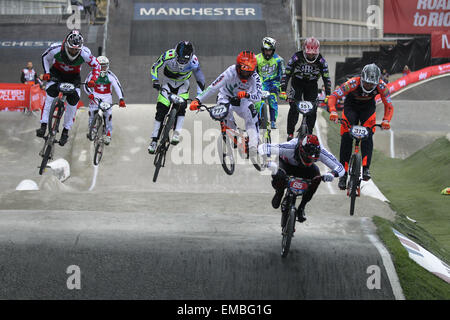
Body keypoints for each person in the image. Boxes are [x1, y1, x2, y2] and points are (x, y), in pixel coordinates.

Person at [328, 63, 393, 190]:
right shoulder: (352, 83)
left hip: (368, 108)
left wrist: (386, 120)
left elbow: (389, 106)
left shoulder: (382, 86)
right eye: (367, 83)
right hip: (351, 106)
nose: (369, 86)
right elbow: (334, 96)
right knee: (346, 136)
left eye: (372, 84)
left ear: (377, 82)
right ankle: (343, 173)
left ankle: (366, 168)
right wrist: (333, 111)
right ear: (362, 79)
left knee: (368, 135)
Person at [189, 50, 262, 158]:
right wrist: (198, 100)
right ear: (238, 67)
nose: (246, 74)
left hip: (243, 99)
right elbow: (213, 87)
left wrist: (247, 95)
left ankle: (253, 145)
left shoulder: (255, 77)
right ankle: (235, 135)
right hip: (225, 97)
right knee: (225, 116)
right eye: (243, 71)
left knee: (251, 115)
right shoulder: (230, 72)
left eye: (249, 72)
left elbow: (258, 97)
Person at [258, 134, 345, 222]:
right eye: (307, 157)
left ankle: (302, 206)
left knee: (317, 178)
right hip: (286, 165)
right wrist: (268, 162)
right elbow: (263, 147)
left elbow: (340, 168)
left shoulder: (321, 152)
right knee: (277, 172)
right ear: (301, 149)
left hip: (306, 169)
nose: (310, 160)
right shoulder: (290, 147)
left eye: (313, 159)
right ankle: (279, 192)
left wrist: (332, 174)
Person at [36, 29, 100, 146]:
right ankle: (43, 125)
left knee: (74, 101)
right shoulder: (56, 48)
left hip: (73, 77)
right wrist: (47, 72)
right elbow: (45, 57)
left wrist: (93, 80)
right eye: (71, 49)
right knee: (50, 97)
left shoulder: (85, 53)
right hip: (56, 74)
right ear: (66, 44)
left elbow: (97, 66)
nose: (73, 51)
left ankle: (65, 131)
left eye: (76, 50)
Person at [148, 41, 205, 154]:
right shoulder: (168, 55)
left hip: (182, 84)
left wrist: (199, 97)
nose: (183, 62)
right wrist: (155, 80)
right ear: (175, 54)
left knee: (182, 106)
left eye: (185, 60)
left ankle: (177, 133)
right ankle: (154, 140)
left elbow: (200, 79)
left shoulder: (194, 60)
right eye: (180, 59)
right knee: (161, 110)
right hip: (167, 82)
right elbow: (155, 66)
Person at [280, 37, 331, 140]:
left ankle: (309, 134)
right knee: (294, 107)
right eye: (309, 53)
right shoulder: (296, 57)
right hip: (297, 83)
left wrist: (328, 94)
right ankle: (290, 133)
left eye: (313, 54)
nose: (311, 56)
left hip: (312, 85)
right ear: (304, 50)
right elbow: (287, 74)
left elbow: (326, 78)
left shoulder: (321, 61)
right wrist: (283, 91)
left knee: (313, 109)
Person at [84, 55, 126, 145]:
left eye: (104, 66)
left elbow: (117, 87)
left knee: (108, 114)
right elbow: (85, 85)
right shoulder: (92, 74)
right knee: (91, 111)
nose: (103, 68)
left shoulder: (111, 76)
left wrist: (121, 99)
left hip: (107, 97)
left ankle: (108, 133)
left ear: (108, 66)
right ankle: (92, 128)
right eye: (101, 66)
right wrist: (90, 94)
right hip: (95, 95)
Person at [255, 37, 285, 129]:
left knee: (273, 100)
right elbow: (253, 72)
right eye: (266, 50)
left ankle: (273, 121)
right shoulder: (256, 58)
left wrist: (281, 88)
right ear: (262, 49)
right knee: (258, 101)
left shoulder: (279, 60)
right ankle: (259, 120)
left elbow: (283, 74)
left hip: (273, 83)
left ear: (273, 50)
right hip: (261, 82)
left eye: (270, 50)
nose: (268, 52)